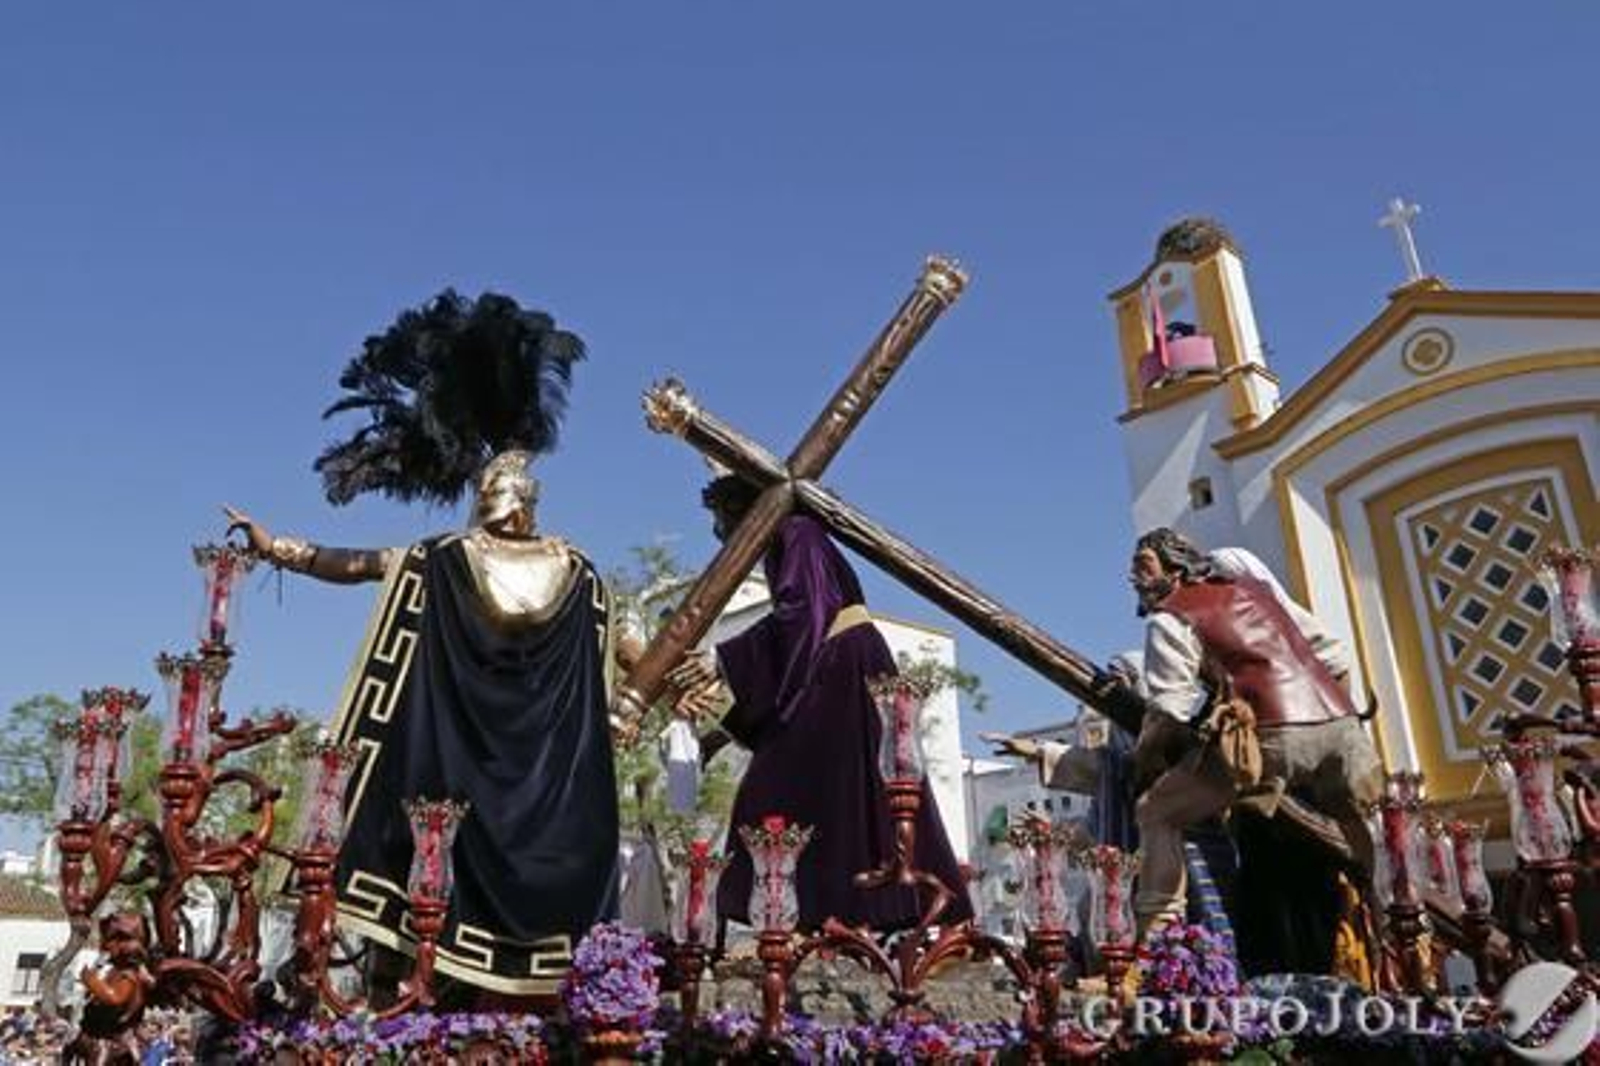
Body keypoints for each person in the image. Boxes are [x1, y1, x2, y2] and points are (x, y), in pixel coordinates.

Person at [225, 291, 620, 999]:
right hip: (531, 795)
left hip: (478, 785)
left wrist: (277, 549)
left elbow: (354, 565)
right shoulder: (576, 576)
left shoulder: (449, 560)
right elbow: (354, 565)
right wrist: (278, 550)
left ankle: (403, 987)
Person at [670, 475, 973, 932]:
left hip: (841, 667)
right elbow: (794, 644)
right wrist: (723, 725)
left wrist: (721, 659)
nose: (720, 536)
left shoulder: (799, 534)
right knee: (822, 795)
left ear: (748, 512)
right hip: (829, 668)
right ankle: (831, 918)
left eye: (721, 521)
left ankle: (847, 915)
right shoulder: (786, 544)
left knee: (779, 791)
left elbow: (803, 617)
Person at [1128, 528, 1383, 969]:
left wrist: (1147, 756)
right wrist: (1330, 720)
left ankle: (1155, 949)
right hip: (1342, 728)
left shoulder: (1170, 617)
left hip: (1270, 734)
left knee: (1156, 812)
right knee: (1363, 833)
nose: (1133, 575)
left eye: (1143, 564)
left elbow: (1168, 709)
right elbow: (1336, 657)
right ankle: (1393, 926)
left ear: (1175, 567)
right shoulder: (1256, 592)